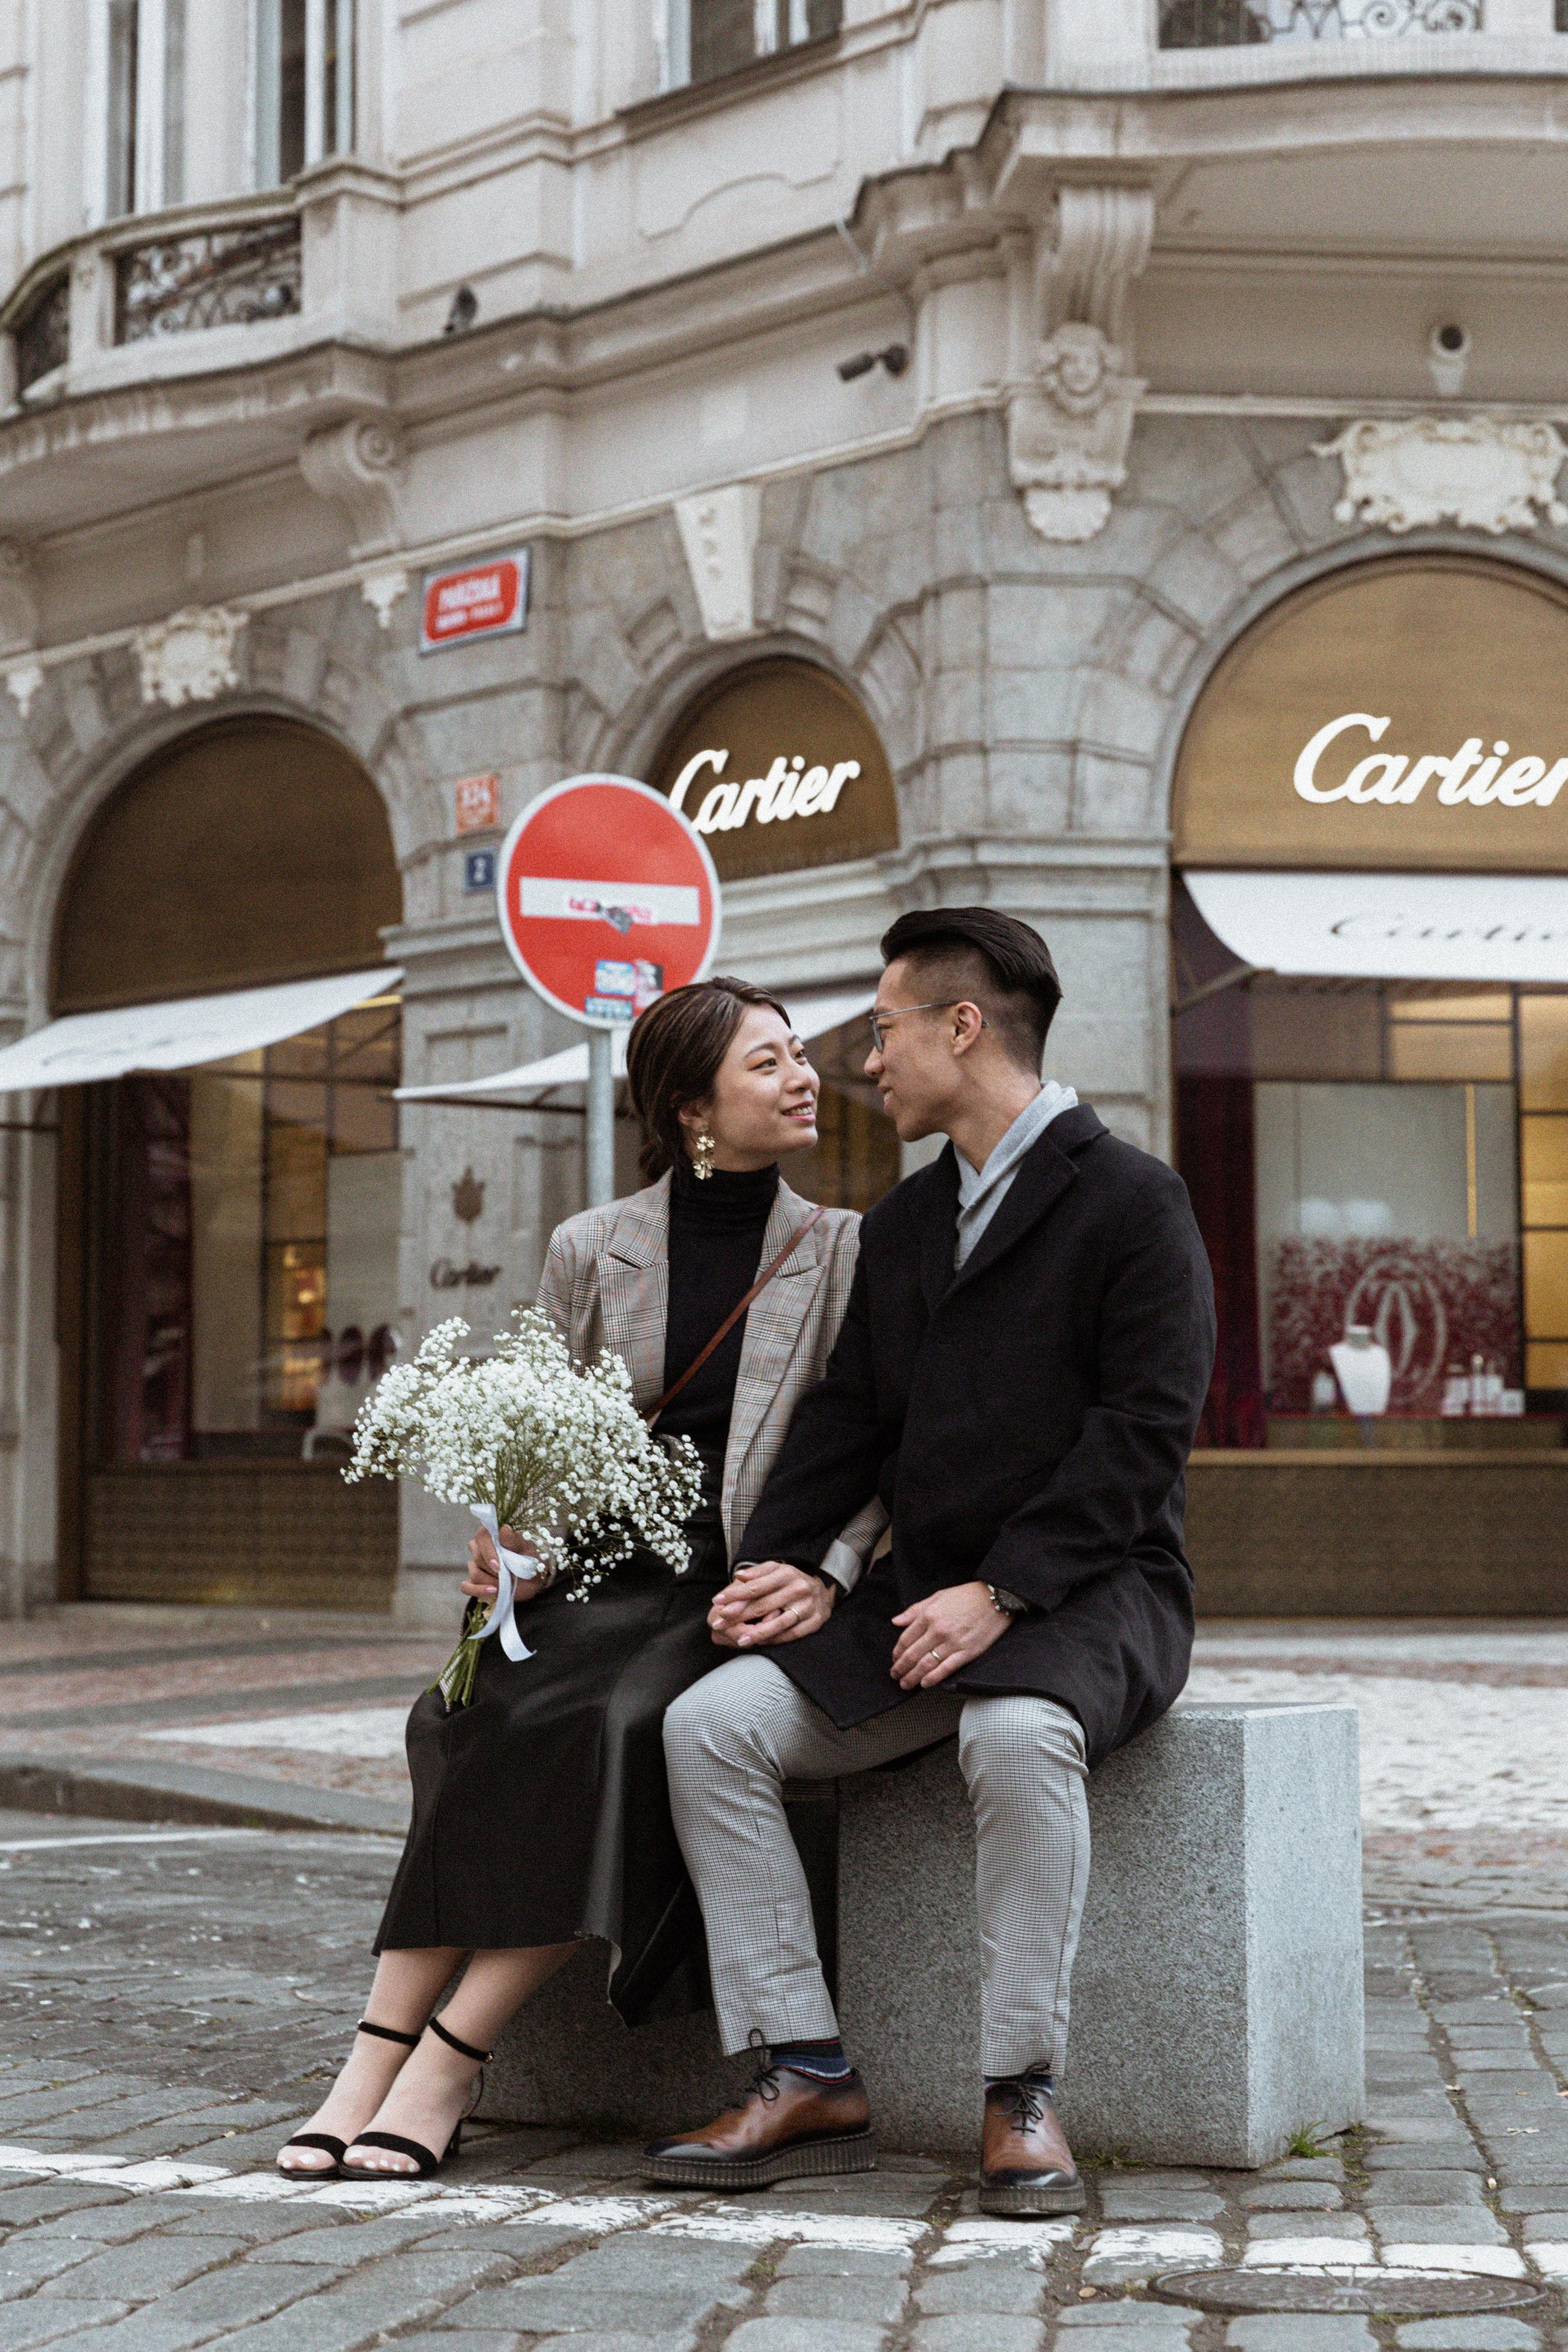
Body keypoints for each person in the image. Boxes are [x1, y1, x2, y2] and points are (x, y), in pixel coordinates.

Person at [649, 907, 1216, 2213]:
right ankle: (802, 2064)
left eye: (885, 1028)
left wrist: (1004, 1589)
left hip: (1094, 1587)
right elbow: (849, 1413)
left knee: (1013, 1736)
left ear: (964, 1027)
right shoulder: (904, 1224)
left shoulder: (1132, 1199)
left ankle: (1020, 2095)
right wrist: (796, 1563)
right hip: (918, 1598)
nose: (862, 1060)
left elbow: (1142, 1437)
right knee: (711, 1724)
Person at [276, 976, 885, 2180]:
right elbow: (548, 1437)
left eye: (796, 1054)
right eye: (767, 1062)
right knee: (466, 1710)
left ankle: (448, 2059)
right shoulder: (590, 1246)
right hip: (596, 1572)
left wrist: (826, 1569)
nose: (803, 1075)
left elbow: (878, 1450)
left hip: (729, 1590)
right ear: (692, 1109)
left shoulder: (842, 1251)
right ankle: (367, 2058)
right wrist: (510, 1540)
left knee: (607, 1726)